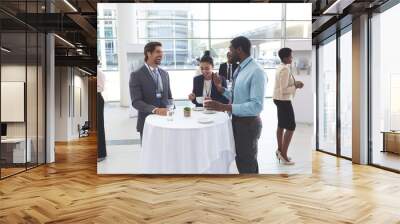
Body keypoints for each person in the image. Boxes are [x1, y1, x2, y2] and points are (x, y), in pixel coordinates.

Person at [204, 36, 266, 174]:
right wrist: (221, 89)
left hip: (249, 125)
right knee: (241, 161)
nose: (228, 53)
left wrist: (224, 107)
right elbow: (238, 97)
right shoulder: (240, 69)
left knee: (247, 164)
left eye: (230, 50)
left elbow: (257, 106)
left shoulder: (256, 71)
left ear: (239, 50)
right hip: (237, 122)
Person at [129, 42, 172, 142]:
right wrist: (155, 110)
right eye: (158, 52)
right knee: (149, 155)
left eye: (162, 52)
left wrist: (172, 109)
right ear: (148, 53)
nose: (161, 54)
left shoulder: (165, 74)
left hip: (166, 122)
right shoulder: (136, 75)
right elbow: (136, 101)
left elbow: (169, 97)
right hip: (147, 122)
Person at [272, 47, 304, 165]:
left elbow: (283, 86)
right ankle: (283, 155)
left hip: (278, 99)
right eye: (291, 56)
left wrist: (295, 83)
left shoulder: (281, 67)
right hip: (283, 100)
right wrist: (296, 86)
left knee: (281, 125)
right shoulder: (285, 69)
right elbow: (284, 90)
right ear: (285, 57)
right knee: (291, 126)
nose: (292, 58)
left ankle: (280, 150)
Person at [97, 59, 107, 162]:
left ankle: (100, 154)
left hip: (98, 97)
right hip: (97, 97)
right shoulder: (99, 72)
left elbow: (101, 88)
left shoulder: (100, 73)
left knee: (99, 126)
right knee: (98, 125)